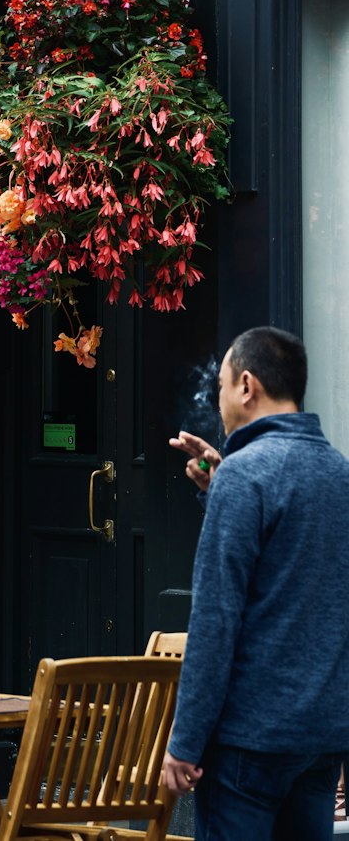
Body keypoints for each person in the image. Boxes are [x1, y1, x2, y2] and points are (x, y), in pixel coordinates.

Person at [162, 326, 349, 841]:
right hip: (321, 738)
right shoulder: (340, 473)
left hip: (251, 741)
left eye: (221, 385)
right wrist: (221, 486)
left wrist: (185, 742)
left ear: (247, 385)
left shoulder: (246, 477)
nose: (218, 399)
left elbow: (216, 621)